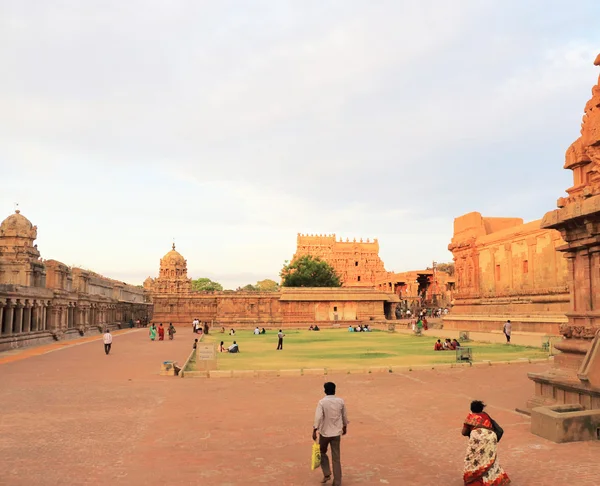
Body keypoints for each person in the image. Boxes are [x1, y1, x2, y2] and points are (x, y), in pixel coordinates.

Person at [462, 400, 510, 485]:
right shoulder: (485, 415)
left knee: (473, 459)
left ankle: (475, 479)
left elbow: (464, 432)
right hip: (491, 438)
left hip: (478, 439)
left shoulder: (470, 417)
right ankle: (493, 480)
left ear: (471, 409)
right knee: (489, 459)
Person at [312, 382, 348, 486]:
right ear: (335, 390)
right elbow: (344, 415)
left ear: (325, 391)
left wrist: (314, 430)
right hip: (336, 433)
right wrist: (345, 426)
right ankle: (337, 482)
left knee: (322, 452)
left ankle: (327, 473)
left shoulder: (322, 402)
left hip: (325, 433)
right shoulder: (340, 401)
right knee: (336, 458)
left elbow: (318, 417)